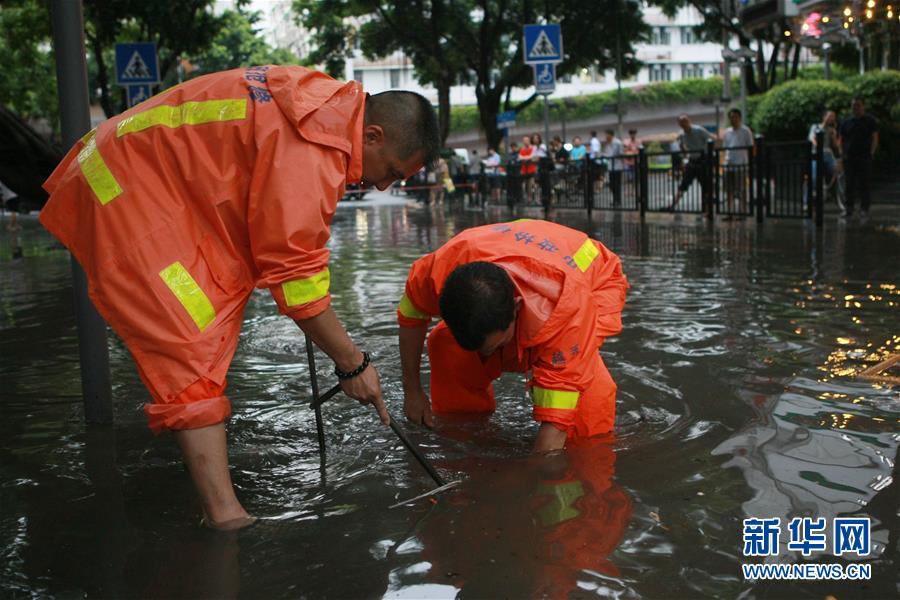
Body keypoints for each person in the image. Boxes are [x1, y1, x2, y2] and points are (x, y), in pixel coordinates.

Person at [39, 65, 440, 530]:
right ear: (371, 135)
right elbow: (294, 277)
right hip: (127, 190)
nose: (384, 186)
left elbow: (287, 244)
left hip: (154, 186)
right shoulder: (313, 148)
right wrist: (352, 363)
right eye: (391, 171)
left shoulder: (322, 105)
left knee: (210, 316)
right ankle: (226, 519)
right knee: (190, 338)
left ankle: (215, 491)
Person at [397, 219, 629, 452]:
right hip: (524, 254)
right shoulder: (436, 270)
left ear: (516, 308)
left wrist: (538, 478)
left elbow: (555, 425)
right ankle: (467, 426)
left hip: (593, 282)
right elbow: (410, 317)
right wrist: (413, 390)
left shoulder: (566, 312)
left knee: (582, 416)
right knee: (447, 347)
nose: (484, 356)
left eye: (494, 346)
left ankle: (585, 448)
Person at [838, 97, 879, 219]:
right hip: (849, 157)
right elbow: (841, 139)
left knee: (864, 183)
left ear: (863, 106)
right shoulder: (846, 122)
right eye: (853, 105)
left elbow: (875, 138)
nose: (855, 108)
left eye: (858, 105)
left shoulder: (870, 121)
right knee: (849, 184)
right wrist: (842, 154)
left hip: (864, 156)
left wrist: (871, 152)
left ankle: (864, 209)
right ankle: (848, 209)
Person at [670, 114, 714, 211]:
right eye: (681, 122)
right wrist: (682, 148)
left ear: (689, 121)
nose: (684, 124)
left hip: (704, 159)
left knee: (705, 185)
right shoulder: (682, 135)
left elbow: (711, 139)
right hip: (692, 160)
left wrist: (710, 154)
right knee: (684, 183)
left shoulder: (698, 130)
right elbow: (684, 149)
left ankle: (707, 209)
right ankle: (672, 205)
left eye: (685, 121)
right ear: (679, 124)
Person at [721, 108, 754, 218]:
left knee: (741, 189)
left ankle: (742, 211)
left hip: (741, 164)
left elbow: (751, 147)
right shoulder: (727, 132)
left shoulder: (746, 131)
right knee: (729, 189)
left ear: (739, 118)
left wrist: (748, 162)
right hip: (728, 163)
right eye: (731, 117)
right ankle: (730, 212)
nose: (733, 119)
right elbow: (725, 148)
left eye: (735, 117)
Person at [601, 129, 625, 206]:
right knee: (612, 184)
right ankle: (615, 199)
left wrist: (606, 155)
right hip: (611, 166)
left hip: (617, 166)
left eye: (606, 135)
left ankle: (618, 200)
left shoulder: (617, 143)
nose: (605, 137)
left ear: (610, 135)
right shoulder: (609, 143)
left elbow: (618, 153)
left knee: (616, 184)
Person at [518, 135, 537, 203]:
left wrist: (525, 158)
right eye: (524, 140)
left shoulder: (533, 147)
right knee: (525, 186)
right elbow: (520, 157)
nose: (525, 141)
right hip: (524, 170)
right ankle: (528, 198)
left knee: (532, 184)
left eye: (526, 140)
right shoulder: (522, 149)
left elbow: (532, 156)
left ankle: (535, 198)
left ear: (529, 140)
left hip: (531, 169)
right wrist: (527, 158)